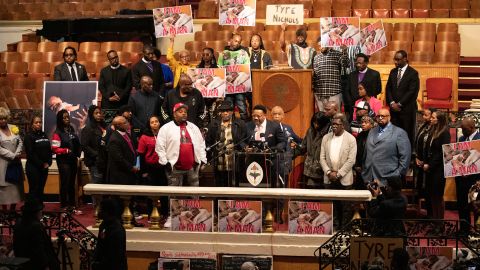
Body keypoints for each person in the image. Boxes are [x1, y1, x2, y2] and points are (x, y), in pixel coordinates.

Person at [156, 103, 207, 187]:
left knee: (194, 195)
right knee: (174, 196)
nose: (184, 113)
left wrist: (203, 160)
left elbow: (201, 144)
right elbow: (160, 147)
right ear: (174, 114)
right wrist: (165, 162)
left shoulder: (194, 127)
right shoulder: (165, 128)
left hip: (192, 167)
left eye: (185, 112)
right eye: (180, 111)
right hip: (174, 167)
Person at [320, 113, 357, 228]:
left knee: (345, 206)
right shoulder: (326, 138)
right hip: (329, 177)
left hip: (344, 178)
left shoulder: (351, 139)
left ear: (343, 125)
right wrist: (328, 172)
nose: (334, 126)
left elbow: (351, 160)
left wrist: (339, 174)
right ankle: (334, 227)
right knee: (332, 205)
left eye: (337, 124)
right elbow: (322, 158)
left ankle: (344, 228)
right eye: (332, 124)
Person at [362, 108, 411, 186]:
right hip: (369, 178)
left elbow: (405, 158)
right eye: (378, 116)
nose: (380, 118)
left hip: (387, 179)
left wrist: (396, 175)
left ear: (389, 117)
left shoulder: (399, 133)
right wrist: (364, 171)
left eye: (383, 116)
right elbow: (366, 153)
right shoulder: (372, 131)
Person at [206, 101, 247, 187]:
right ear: (220, 112)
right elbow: (208, 142)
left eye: (228, 111)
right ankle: (220, 200)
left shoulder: (240, 124)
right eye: (223, 111)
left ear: (232, 112)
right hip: (219, 159)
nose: (225, 113)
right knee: (219, 184)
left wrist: (243, 147)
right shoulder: (213, 125)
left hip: (234, 159)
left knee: (234, 185)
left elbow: (244, 139)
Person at [13, 198, 60, 270]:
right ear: (36, 212)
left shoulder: (19, 222)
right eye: (40, 211)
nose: (41, 212)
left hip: (23, 262)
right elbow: (39, 249)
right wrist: (45, 265)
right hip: (35, 264)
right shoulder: (36, 226)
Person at [386, 50, 420, 147]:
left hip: (406, 110)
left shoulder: (413, 73)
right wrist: (392, 103)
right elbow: (388, 88)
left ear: (405, 59)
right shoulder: (393, 72)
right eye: (394, 59)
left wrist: (400, 104)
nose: (395, 62)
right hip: (394, 110)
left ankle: (407, 156)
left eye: (398, 60)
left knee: (407, 134)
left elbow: (412, 92)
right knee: (393, 134)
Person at [137, 115, 168, 217]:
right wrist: (143, 171)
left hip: (163, 167)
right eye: (152, 122)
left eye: (156, 121)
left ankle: (164, 213)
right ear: (149, 125)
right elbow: (141, 155)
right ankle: (151, 213)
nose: (155, 123)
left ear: (160, 123)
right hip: (150, 168)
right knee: (151, 192)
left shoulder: (165, 135)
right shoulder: (144, 137)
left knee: (164, 192)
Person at [52, 109, 81, 211]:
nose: (67, 119)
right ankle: (64, 206)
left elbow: (76, 142)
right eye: (64, 118)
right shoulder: (57, 132)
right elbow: (55, 149)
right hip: (63, 161)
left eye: (67, 117)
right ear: (60, 119)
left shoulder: (71, 129)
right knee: (65, 183)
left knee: (71, 183)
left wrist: (77, 153)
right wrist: (66, 150)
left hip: (72, 160)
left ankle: (72, 205)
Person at [423, 110, 450, 219]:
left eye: (434, 118)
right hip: (431, 169)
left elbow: (442, 153)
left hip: (438, 170)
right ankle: (434, 220)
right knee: (432, 196)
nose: (431, 119)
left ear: (440, 120)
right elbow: (429, 148)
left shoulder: (445, 133)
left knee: (438, 197)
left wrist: (430, 165)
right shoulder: (433, 130)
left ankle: (439, 223)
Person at [455, 117, 480, 232]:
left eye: (464, 129)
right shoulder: (461, 138)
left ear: (471, 127)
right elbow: (458, 158)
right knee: (462, 205)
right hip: (461, 179)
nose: (462, 130)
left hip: (476, 180)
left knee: (476, 207)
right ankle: (464, 230)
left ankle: (477, 231)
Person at [217, 33, 250, 120]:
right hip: (228, 87)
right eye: (235, 41)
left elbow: (246, 68)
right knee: (228, 107)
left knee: (242, 106)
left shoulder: (244, 53)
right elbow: (219, 68)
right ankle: (230, 125)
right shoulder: (223, 54)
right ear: (231, 40)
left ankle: (245, 126)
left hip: (239, 86)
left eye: (239, 42)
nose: (237, 43)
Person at [296, 112, 330, 188]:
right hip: (309, 167)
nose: (316, 125)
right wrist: (295, 151)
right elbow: (303, 146)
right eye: (314, 122)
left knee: (320, 192)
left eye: (318, 123)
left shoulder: (328, 133)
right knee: (310, 190)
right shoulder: (310, 131)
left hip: (322, 168)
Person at [344, 53, 382, 120]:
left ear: (366, 63)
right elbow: (347, 90)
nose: (358, 65)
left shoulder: (374, 74)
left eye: (360, 63)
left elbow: (378, 89)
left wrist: (367, 97)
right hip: (353, 105)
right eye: (357, 63)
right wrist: (350, 102)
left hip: (369, 105)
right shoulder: (351, 75)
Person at [92, 198, 127, 270]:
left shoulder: (117, 229)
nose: (98, 211)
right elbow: (100, 245)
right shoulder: (104, 224)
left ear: (107, 211)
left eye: (101, 209)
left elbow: (116, 255)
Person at [312, 45, 350, 112]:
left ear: (328, 44)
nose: (321, 46)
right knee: (323, 117)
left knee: (335, 116)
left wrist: (344, 51)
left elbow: (346, 64)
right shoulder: (316, 57)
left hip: (334, 92)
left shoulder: (337, 54)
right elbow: (315, 74)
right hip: (320, 93)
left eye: (322, 44)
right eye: (319, 44)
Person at [24, 115, 52, 202]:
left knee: (41, 189)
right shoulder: (29, 136)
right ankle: (32, 212)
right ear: (32, 124)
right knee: (34, 190)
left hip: (44, 168)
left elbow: (49, 149)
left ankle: (39, 211)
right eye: (36, 122)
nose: (39, 124)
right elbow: (30, 153)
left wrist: (49, 162)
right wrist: (41, 164)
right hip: (33, 168)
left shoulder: (44, 134)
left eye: (40, 122)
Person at [0, 107, 23, 211]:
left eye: (4, 118)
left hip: (15, 162)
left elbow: (20, 142)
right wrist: (12, 155)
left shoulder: (13, 127)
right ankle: (5, 212)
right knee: (4, 188)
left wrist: (17, 153)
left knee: (16, 187)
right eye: (0, 119)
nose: (3, 121)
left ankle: (12, 211)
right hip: (3, 163)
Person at [105, 116, 139, 185]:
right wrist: (131, 167)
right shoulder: (114, 139)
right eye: (125, 122)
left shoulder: (126, 134)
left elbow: (132, 149)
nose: (127, 123)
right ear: (118, 125)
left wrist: (137, 163)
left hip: (130, 171)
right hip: (121, 175)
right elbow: (119, 159)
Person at [81, 105, 106, 185]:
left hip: (103, 160)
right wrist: (96, 155)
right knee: (97, 183)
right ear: (91, 114)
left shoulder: (103, 126)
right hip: (95, 161)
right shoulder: (88, 128)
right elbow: (84, 146)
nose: (99, 115)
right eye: (96, 113)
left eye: (100, 113)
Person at [413, 109, 433, 203]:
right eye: (423, 115)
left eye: (426, 115)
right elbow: (417, 141)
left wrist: (427, 162)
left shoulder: (436, 129)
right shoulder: (423, 126)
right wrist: (416, 157)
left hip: (429, 164)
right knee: (419, 186)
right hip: (420, 161)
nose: (423, 117)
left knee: (428, 190)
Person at [353, 115, 375, 189]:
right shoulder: (360, 135)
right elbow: (356, 151)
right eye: (362, 122)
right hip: (360, 169)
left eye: (366, 122)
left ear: (371, 124)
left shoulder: (375, 136)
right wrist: (356, 165)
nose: (363, 124)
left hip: (371, 170)